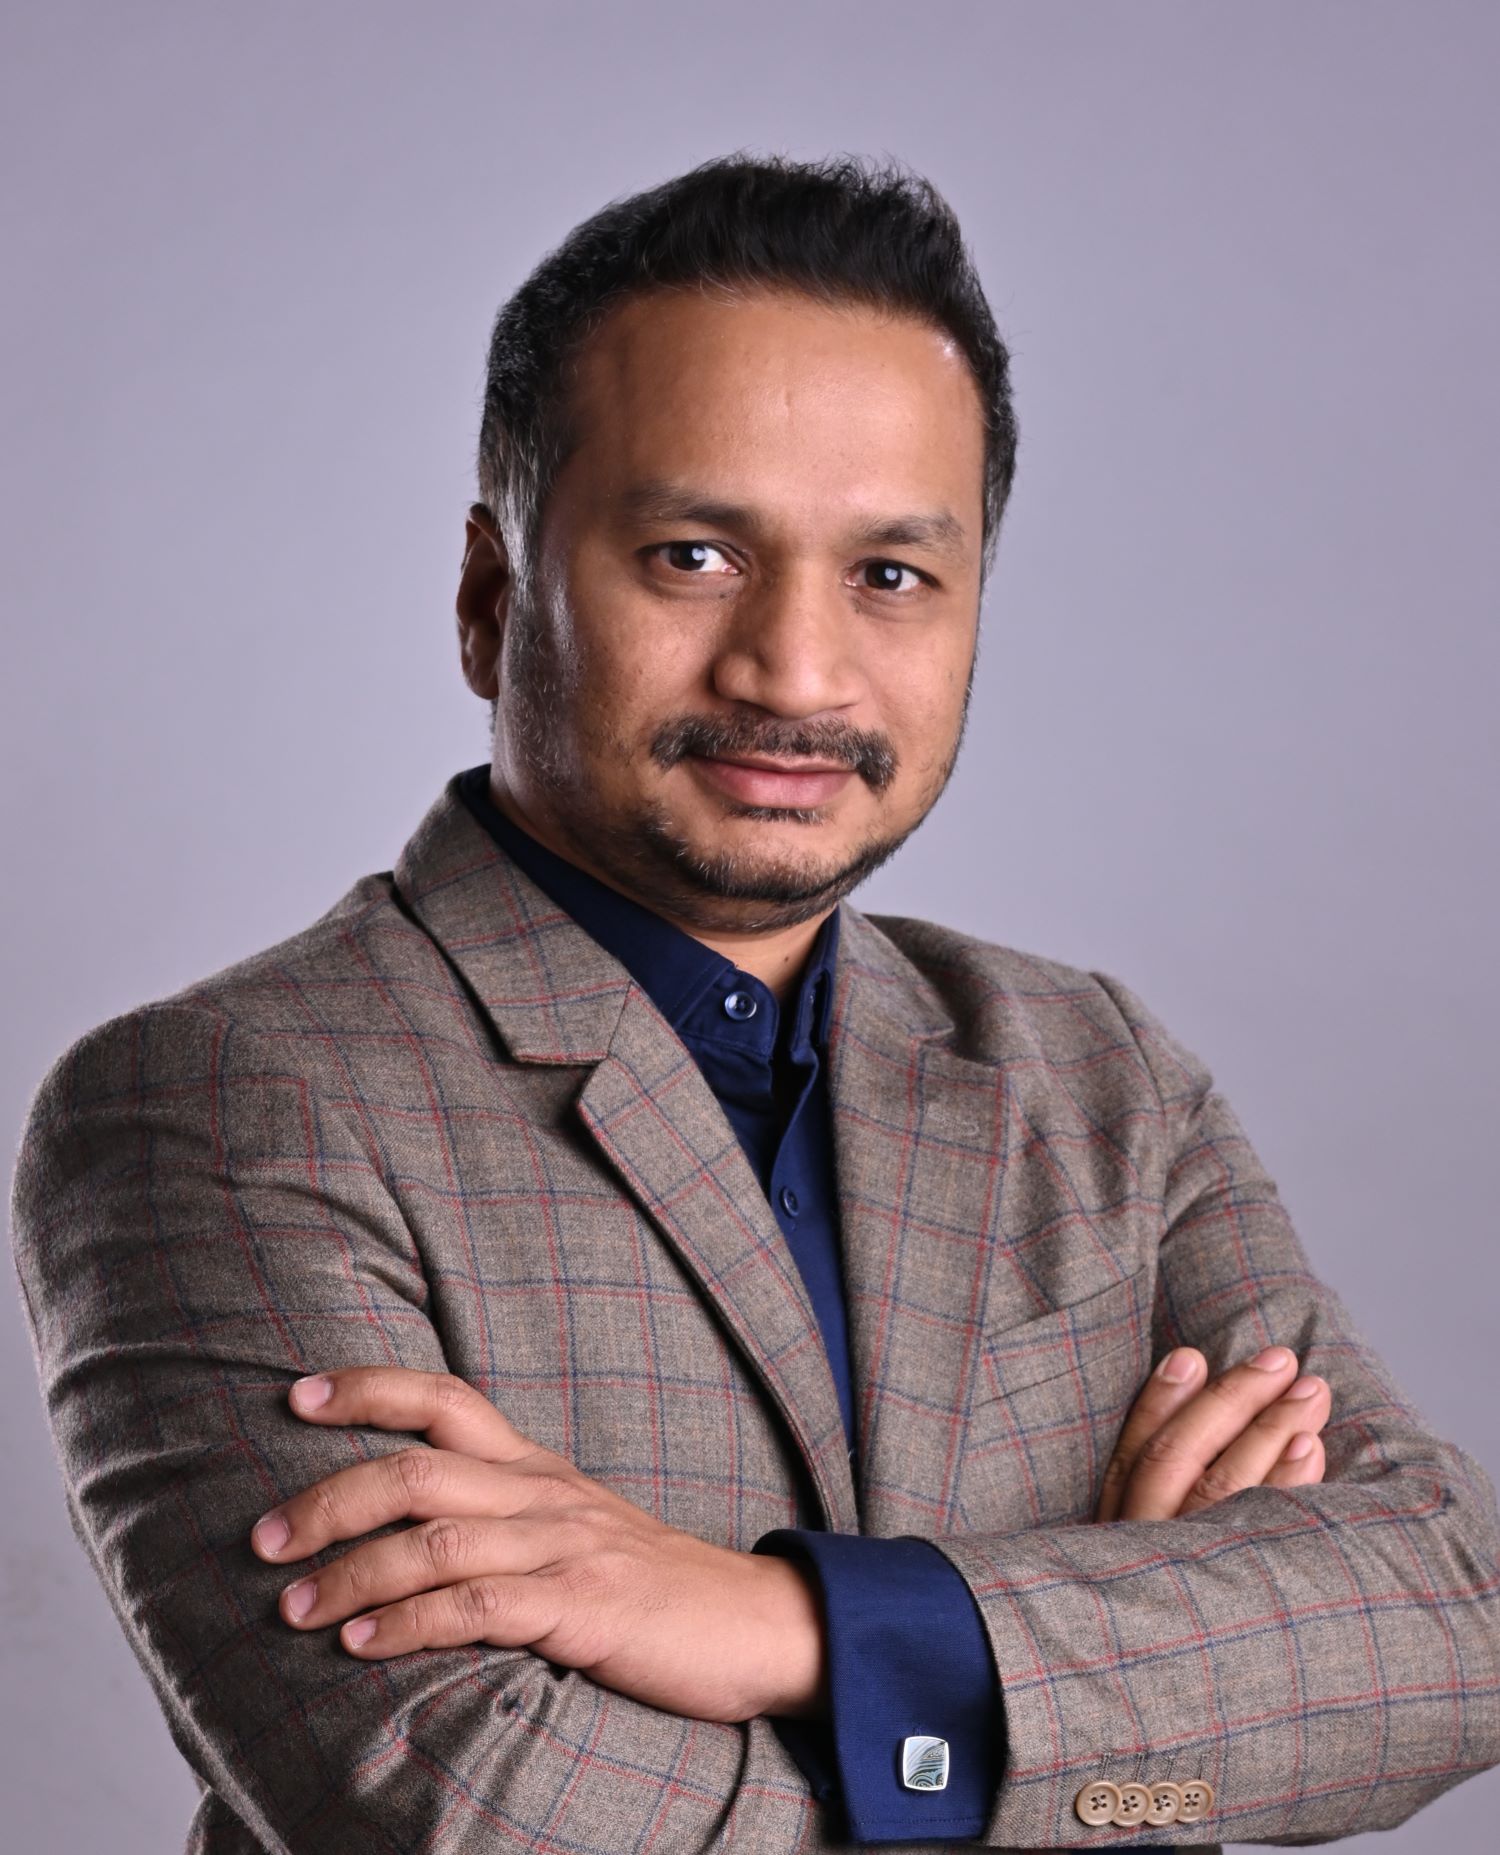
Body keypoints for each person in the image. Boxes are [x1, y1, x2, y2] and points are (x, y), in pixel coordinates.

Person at [11, 152, 1499, 1855]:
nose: (795, 668)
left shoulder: (1097, 1074)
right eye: (696, 553)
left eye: (890, 576)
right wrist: (1124, 1702)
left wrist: (783, 1624)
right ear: (493, 599)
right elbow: (467, 1810)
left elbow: (1451, 1619)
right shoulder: (222, 1100)